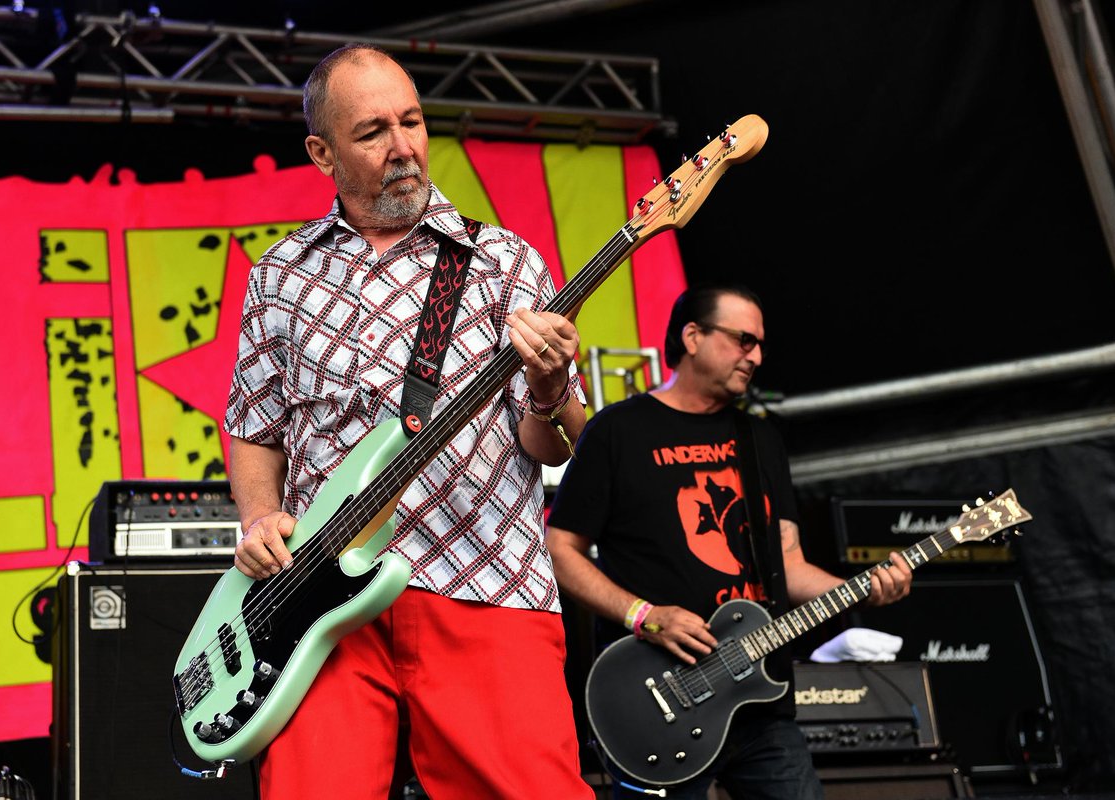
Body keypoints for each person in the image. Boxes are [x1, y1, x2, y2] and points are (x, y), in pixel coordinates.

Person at [224, 44, 593, 800]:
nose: (403, 148)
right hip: (323, 602)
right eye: (372, 132)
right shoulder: (281, 274)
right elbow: (254, 423)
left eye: (413, 121)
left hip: (483, 584)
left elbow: (552, 440)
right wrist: (260, 514)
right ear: (321, 153)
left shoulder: (501, 261)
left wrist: (550, 384)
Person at [546, 285, 914, 800]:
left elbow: (788, 564)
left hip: (759, 703)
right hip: (655, 699)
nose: (756, 356)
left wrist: (862, 588)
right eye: (744, 340)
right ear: (693, 336)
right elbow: (560, 548)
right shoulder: (617, 431)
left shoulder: (759, 439)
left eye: (760, 344)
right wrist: (643, 615)